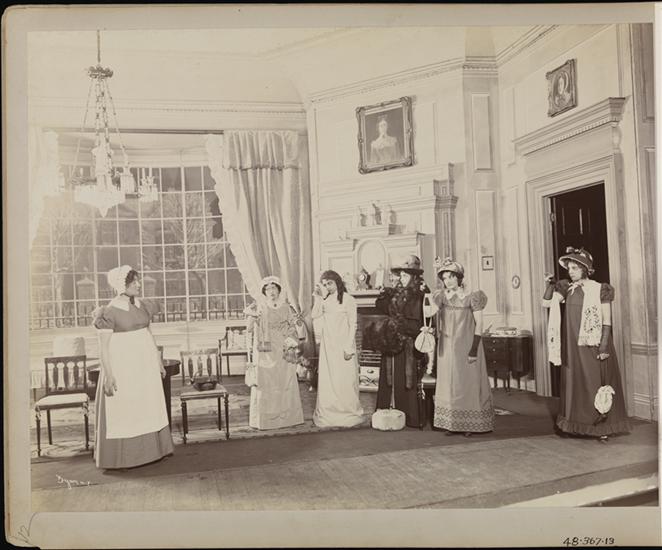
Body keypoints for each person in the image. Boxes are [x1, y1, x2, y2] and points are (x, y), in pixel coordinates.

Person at [542, 247, 631, 442]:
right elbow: (547, 303)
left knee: (593, 382)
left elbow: (607, 320)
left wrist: (604, 346)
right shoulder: (567, 288)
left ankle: (600, 428)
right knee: (575, 382)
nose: (570, 272)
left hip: (593, 344)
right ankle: (575, 425)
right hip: (572, 347)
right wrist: (551, 284)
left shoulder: (600, 289)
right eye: (569, 268)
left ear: (585, 269)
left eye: (574, 268)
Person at [93, 266, 173, 470]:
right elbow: (103, 348)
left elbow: (149, 334)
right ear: (121, 285)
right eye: (133, 282)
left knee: (148, 405)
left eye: (138, 280)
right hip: (124, 367)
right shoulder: (109, 312)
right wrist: (109, 375)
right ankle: (124, 458)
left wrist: (158, 361)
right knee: (126, 409)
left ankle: (152, 452)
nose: (138, 284)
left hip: (145, 366)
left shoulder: (142, 305)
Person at [432, 257, 494, 436]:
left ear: (459, 278)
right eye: (445, 278)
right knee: (449, 384)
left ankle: (470, 425)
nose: (448, 281)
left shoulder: (473, 296)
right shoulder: (442, 297)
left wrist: (474, 349)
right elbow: (429, 312)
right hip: (447, 347)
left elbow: (479, 323)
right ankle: (453, 423)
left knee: (468, 384)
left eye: (451, 277)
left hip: (466, 345)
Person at [371, 255, 428, 428]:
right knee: (389, 375)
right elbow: (381, 306)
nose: (401, 278)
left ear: (414, 276)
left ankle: (409, 415)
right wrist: (385, 294)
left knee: (405, 376)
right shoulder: (397, 292)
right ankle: (388, 408)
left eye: (405, 275)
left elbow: (418, 321)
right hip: (393, 339)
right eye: (400, 275)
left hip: (408, 342)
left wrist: (400, 326)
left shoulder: (419, 294)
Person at [244, 275, 304, 430]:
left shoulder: (286, 307)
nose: (271, 292)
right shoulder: (259, 307)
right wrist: (251, 315)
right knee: (267, 382)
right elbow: (249, 329)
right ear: (264, 292)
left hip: (283, 349)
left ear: (279, 290)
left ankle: (287, 418)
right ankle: (267, 419)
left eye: (274, 288)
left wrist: (290, 340)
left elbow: (293, 327)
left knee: (285, 381)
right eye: (268, 289)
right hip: (266, 349)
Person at [311, 270, 364, 428]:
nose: (328, 286)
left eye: (330, 283)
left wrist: (349, 346)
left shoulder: (348, 300)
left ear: (337, 282)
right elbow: (314, 315)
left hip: (343, 344)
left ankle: (347, 411)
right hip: (329, 346)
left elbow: (353, 324)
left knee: (345, 379)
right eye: (325, 284)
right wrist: (318, 298)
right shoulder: (325, 300)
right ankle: (329, 412)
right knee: (330, 379)